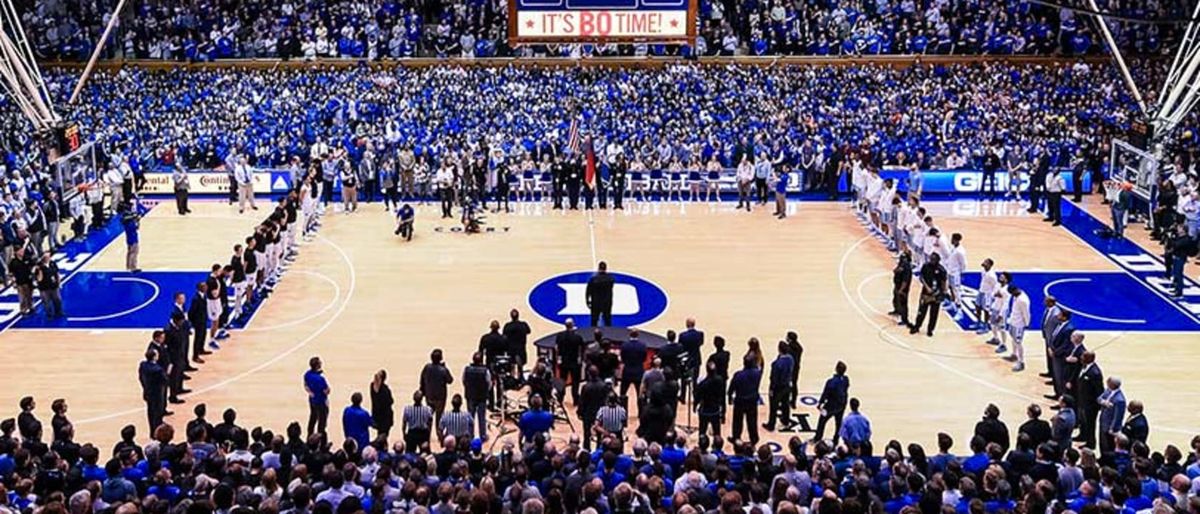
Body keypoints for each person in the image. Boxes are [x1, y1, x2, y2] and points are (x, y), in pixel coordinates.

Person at [909, 252, 948, 336]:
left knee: (934, 314)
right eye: (931, 259)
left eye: (933, 259)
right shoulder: (926, 266)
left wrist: (941, 293)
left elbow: (943, 283)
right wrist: (927, 287)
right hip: (925, 293)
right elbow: (921, 277)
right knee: (921, 311)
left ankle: (930, 330)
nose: (931, 260)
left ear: (938, 260)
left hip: (936, 294)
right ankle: (917, 326)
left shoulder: (941, 270)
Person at [727, 355, 762, 444]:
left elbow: (732, 387)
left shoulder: (738, 375)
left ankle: (736, 437)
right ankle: (754, 438)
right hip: (752, 400)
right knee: (752, 421)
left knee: (737, 421)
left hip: (740, 401)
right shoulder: (757, 373)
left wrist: (730, 396)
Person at [813, 361, 850, 444]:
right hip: (842, 405)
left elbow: (825, 393)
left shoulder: (831, 382)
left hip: (830, 406)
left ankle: (817, 438)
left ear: (836, 369)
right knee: (838, 423)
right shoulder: (846, 379)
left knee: (822, 420)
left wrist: (820, 403)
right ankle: (836, 439)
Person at [763, 341, 794, 432]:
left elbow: (774, 379)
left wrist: (772, 389)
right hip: (787, 385)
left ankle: (771, 425)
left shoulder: (776, 364)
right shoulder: (791, 359)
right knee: (785, 404)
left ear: (779, 349)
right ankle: (786, 420)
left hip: (778, 388)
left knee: (774, 407)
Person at [420, 349, 454, 430]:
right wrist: (445, 368)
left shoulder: (427, 367)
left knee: (429, 417)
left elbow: (422, 380)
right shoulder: (443, 370)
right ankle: (440, 436)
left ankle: (427, 435)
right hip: (440, 398)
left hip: (429, 396)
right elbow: (450, 380)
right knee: (439, 419)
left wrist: (423, 391)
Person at [578, 367, 609, 451]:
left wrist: (579, 412)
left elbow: (582, 401)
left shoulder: (586, 386)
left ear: (589, 374)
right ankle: (598, 449)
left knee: (587, 433)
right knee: (599, 433)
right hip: (600, 413)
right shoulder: (604, 386)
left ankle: (587, 449)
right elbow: (606, 400)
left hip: (588, 413)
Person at [462, 352, 491, 441]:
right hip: (482, 396)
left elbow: (464, 381)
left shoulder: (467, 369)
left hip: (470, 395)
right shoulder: (485, 371)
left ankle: (470, 435)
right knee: (482, 417)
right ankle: (483, 435)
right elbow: (489, 383)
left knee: (470, 416)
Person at [138, 349, 168, 433]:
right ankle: (157, 430)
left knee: (150, 411)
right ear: (154, 357)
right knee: (158, 413)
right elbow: (165, 380)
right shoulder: (158, 369)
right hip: (157, 394)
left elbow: (140, 377)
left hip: (147, 391)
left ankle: (152, 430)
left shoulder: (143, 365)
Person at [555, 319, 585, 403]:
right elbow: (581, 350)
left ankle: (560, 397)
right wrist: (580, 360)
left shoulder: (560, 336)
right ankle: (575, 398)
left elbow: (557, 348)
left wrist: (559, 359)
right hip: (574, 363)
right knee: (575, 382)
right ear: (573, 325)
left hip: (564, 362)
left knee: (562, 380)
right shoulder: (578, 337)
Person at [695, 360, 726, 437]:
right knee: (717, 432)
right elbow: (722, 396)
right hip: (715, 410)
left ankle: (702, 444)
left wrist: (695, 405)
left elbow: (697, 397)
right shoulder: (720, 380)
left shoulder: (702, 384)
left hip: (705, 410)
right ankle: (717, 444)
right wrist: (723, 411)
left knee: (702, 431)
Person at [1097, 376, 1126, 454]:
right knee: (1102, 443)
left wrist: (1112, 429)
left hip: (1110, 427)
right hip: (1103, 421)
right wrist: (1105, 403)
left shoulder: (1120, 400)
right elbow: (1099, 399)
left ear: (1112, 385)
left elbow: (1118, 416)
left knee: (1109, 446)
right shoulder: (1108, 391)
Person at [1005, 285, 1031, 372]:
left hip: (1019, 325)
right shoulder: (1016, 296)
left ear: (1015, 291)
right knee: (1013, 340)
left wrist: (1027, 324)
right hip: (1013, 322)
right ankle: (1014, 354)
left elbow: (1026, 313)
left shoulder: (1023, 300)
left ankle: (1021, 362)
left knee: (1018, 343)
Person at [303, 356, 330, 437]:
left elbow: (305, 385)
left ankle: (309, 435)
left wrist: (311, 393)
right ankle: (320, 438)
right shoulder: (320, 378)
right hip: (321, 401)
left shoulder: (307, 374)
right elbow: (326, 391)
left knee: (313, 417)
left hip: (312, 400)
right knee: (322, 422)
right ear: (318, 365)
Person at [619, 329, 647, 401]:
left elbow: (622, 358)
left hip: (627, 372)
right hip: (639, 372)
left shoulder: (624, 345)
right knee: (640, 395)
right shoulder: (642, 346)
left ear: (630, 335)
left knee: (622, 395)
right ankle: (641, 412)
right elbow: (644, 359)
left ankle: (622, 411)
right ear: (638, 335)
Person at [586, 261, 615, 327]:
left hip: (596, 303)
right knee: (607, 320)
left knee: (594, 321)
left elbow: (588, 291)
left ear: (598, 268)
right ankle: (609, 334)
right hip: (607, 302)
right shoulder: (610, 279)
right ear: (606, 268)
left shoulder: (593, 279)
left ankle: (593, 334)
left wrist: (587, 301)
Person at [34, 253, 63, 320]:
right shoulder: (39, 267)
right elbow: (39, 279)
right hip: (44, 288)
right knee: (47, 302)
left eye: (49, 256)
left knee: (57, 300)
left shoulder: (52, 263)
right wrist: (40, 271)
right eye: (47, 257)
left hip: (54, 286)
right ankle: (49, 315)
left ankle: (58, 312)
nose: (49, 258)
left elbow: (57, 273)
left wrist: (59, 282)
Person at [187, 282, 209, 364]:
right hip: (198, 322)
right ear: (200, 288)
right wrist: (193, 322)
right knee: (198, 338)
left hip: (203, 320)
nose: (207, 287)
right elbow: (191, 312)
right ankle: (195, 356)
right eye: (205, 286)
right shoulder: (196, 299)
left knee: (203, 335)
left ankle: (201, 349)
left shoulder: (203, 296)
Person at [890, 251, 913, 327]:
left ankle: (904, 319)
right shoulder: (901, 264)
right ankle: (896, 310)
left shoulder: (907, 267)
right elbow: (895, 270)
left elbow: (905, 280)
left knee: (903, 303)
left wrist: (901, 289)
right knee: (896, 299)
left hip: (903, 288)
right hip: (897, 285)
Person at [370, 370, 394, 439]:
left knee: (380, 434)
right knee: (383, 436)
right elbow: (391, 401)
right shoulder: (385, 390)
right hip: (385, 417)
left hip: (376, 415)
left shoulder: (372, 386)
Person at [120, 202, 141, 273]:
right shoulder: (129, 221)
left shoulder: (126, 219)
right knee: (134, 252)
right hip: (133, 238)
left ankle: (128, 266)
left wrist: (136, 219)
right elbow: (136, 227)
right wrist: (137, 220)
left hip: (129, 238)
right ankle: (133, 267)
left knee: (130, 252)